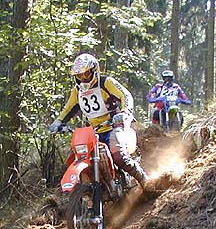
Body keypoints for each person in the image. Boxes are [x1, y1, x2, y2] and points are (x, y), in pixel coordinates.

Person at [48, 53, 149, 187]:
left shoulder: (106, 82)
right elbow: (68, 109)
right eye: (79, 76)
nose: (83, 79)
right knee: (80, 157)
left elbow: (125, 95)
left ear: (94, 71)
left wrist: (125, 111)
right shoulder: (77, 91)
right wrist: (58, 122)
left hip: (114, 126)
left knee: (118, 156)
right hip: (93, 132)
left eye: (86, 74)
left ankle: (145, 180)